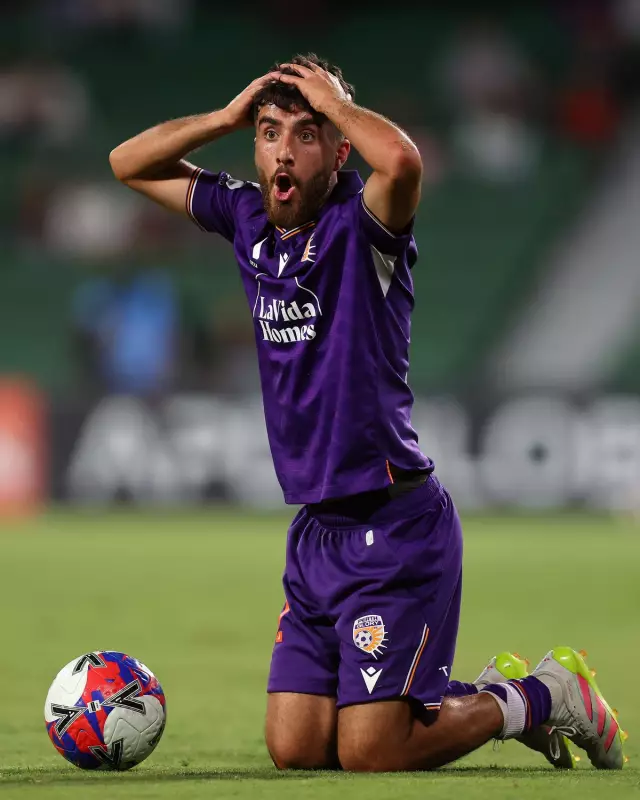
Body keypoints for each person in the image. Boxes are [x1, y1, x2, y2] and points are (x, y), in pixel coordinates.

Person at [109, 53, 625, 772]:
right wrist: (224, 117)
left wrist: (340, 104)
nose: (284, 149)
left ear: (338, 151)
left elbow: (405, 162)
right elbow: (127, 163)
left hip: (395, 529)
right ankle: (482, 694)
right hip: (318, 534)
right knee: (295, 750)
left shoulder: (365, 223)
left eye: (307, 133)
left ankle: (541, 694)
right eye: (268, 132)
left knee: (372, 752)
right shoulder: (246, 216)